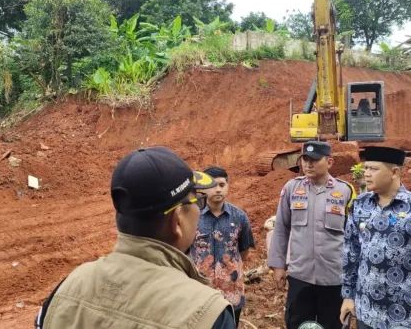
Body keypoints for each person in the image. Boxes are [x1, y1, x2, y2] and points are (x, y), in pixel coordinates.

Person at [35, 146, 236, 329]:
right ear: (177, 221)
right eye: (197, 200)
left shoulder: (66, 288)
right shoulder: (208, 314)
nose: (200, 209)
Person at [340, 146, 411, 329]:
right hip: (367, 313)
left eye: (373, 169)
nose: (367, 174)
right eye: (366, 168)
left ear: (394, 172)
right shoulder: (360, 205)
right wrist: (348, 295)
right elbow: (351, 252)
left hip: (407, 317)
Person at [267, 141, 356, 329]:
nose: (308, 164)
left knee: (334, 325)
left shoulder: (345, 191)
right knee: (298, 324)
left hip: (334, 278)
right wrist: (278, 265)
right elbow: (282, 228)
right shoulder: (292, 188)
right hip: (301, 276)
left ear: (329, 162)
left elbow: (354, 237)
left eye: (314, 160)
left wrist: (353, 275)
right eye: (305, 159)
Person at [190, 166, 256, 328]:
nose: (218, 190)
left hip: (231, 292)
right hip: (200, 291)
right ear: (203, 188)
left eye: (222, 185)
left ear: (228, 186)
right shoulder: (192, 214)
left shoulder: (239, 217)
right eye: (213, 185)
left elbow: (244, 250)